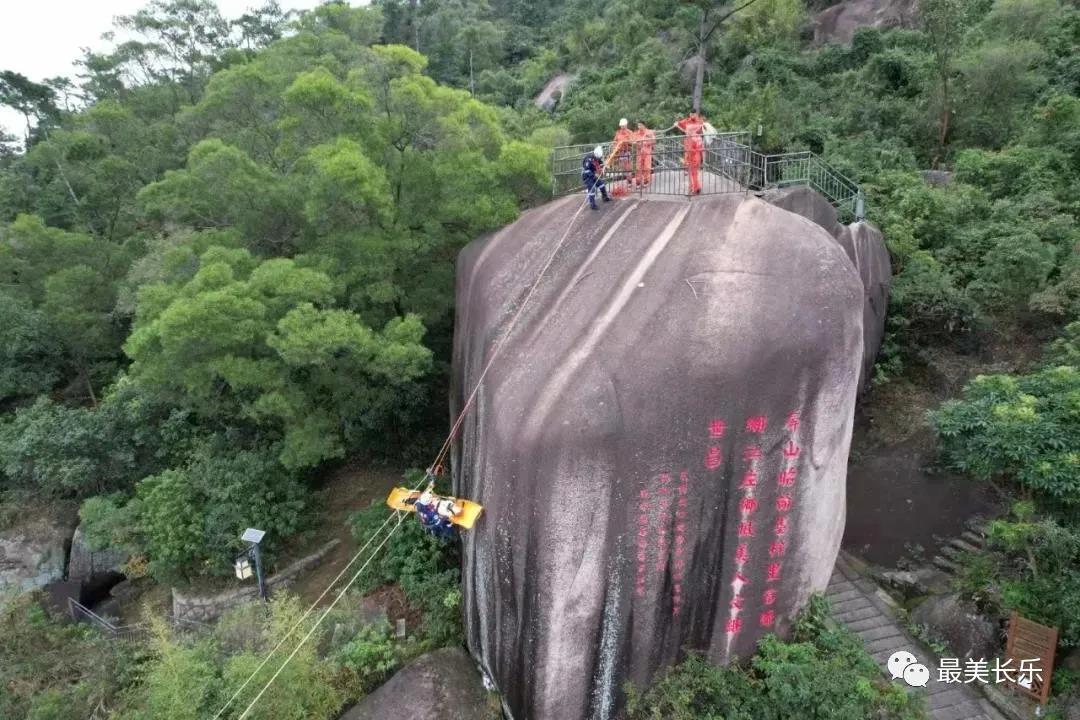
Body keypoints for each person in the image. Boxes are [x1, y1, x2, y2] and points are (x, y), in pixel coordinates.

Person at [675, 110, 706, 195]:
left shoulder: (690, 139)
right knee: (694, 174)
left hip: (692, 157)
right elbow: (701, 149)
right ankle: (697, 188)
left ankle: (694, 189)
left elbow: (690, 150)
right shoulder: (697, 138)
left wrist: (685, 161)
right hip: (696, 157)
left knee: (692, 174)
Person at [581, 145, 610, 210]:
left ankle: (605, 197)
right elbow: (587, 170)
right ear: (595, 154)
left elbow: (601, 164)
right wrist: (594, 176)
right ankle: (592, 205)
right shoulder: (588, 159)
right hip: (587, 176)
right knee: (592, 189)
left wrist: (604, 168)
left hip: (593, 175)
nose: (598, 159)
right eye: (598, 158)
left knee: (601, 184)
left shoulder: (598, 158)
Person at [633, 120, 655, 186]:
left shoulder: (649, 132)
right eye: (638, 125)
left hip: (647, 152)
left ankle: (646, 180)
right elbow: (633, 141)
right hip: (639, 152)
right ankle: (638, 181)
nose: (639, 127)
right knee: (638, 167)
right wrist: (636, 143)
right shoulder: (636, 133)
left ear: (644, 125)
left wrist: (646, 142)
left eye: (640, 125)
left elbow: (653, 141)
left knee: (647, 167)